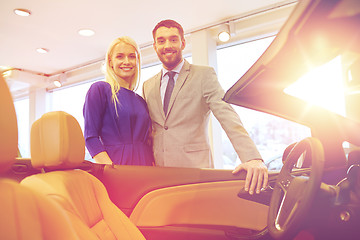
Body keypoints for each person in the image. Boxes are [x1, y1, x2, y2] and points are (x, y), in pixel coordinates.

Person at [142, 19, 268, 194]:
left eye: (173, 39)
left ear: (183, 43)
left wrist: (251, 157)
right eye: (161, 41)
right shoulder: (147, 85)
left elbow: (226, 114)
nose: (167, 45)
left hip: (196, 172)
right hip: (160, 176)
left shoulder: (203, 75)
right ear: (155, 46)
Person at [83, 36, 154, 166]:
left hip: (146, 166)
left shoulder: (141, 101)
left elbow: (149, 141)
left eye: (132, 56)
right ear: (110, 62)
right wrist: (111, 170)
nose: (126, 61)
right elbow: (90, 138)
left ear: (137, 61)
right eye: (120, 56)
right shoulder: (99, 90)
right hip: (116, 167)